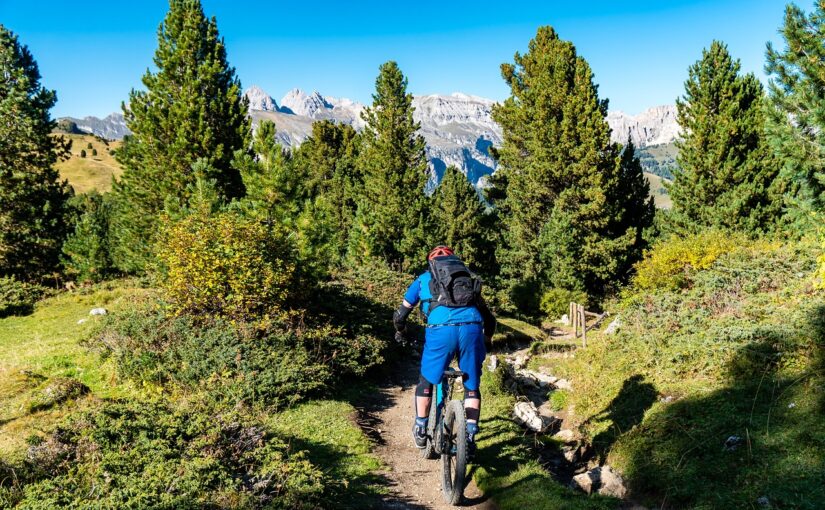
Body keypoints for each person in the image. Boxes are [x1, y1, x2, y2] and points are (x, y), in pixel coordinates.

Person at [393, 245, 496, 458]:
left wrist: (401, 333)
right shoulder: (467, 280)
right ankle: (469, 435)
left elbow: (401, 315)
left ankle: (421, 427)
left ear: (432, 264)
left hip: (440, 330)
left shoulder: (423, 279)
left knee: (427, 379)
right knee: (472, 385)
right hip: (472, 329)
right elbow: (489, 319)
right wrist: (486, 340)